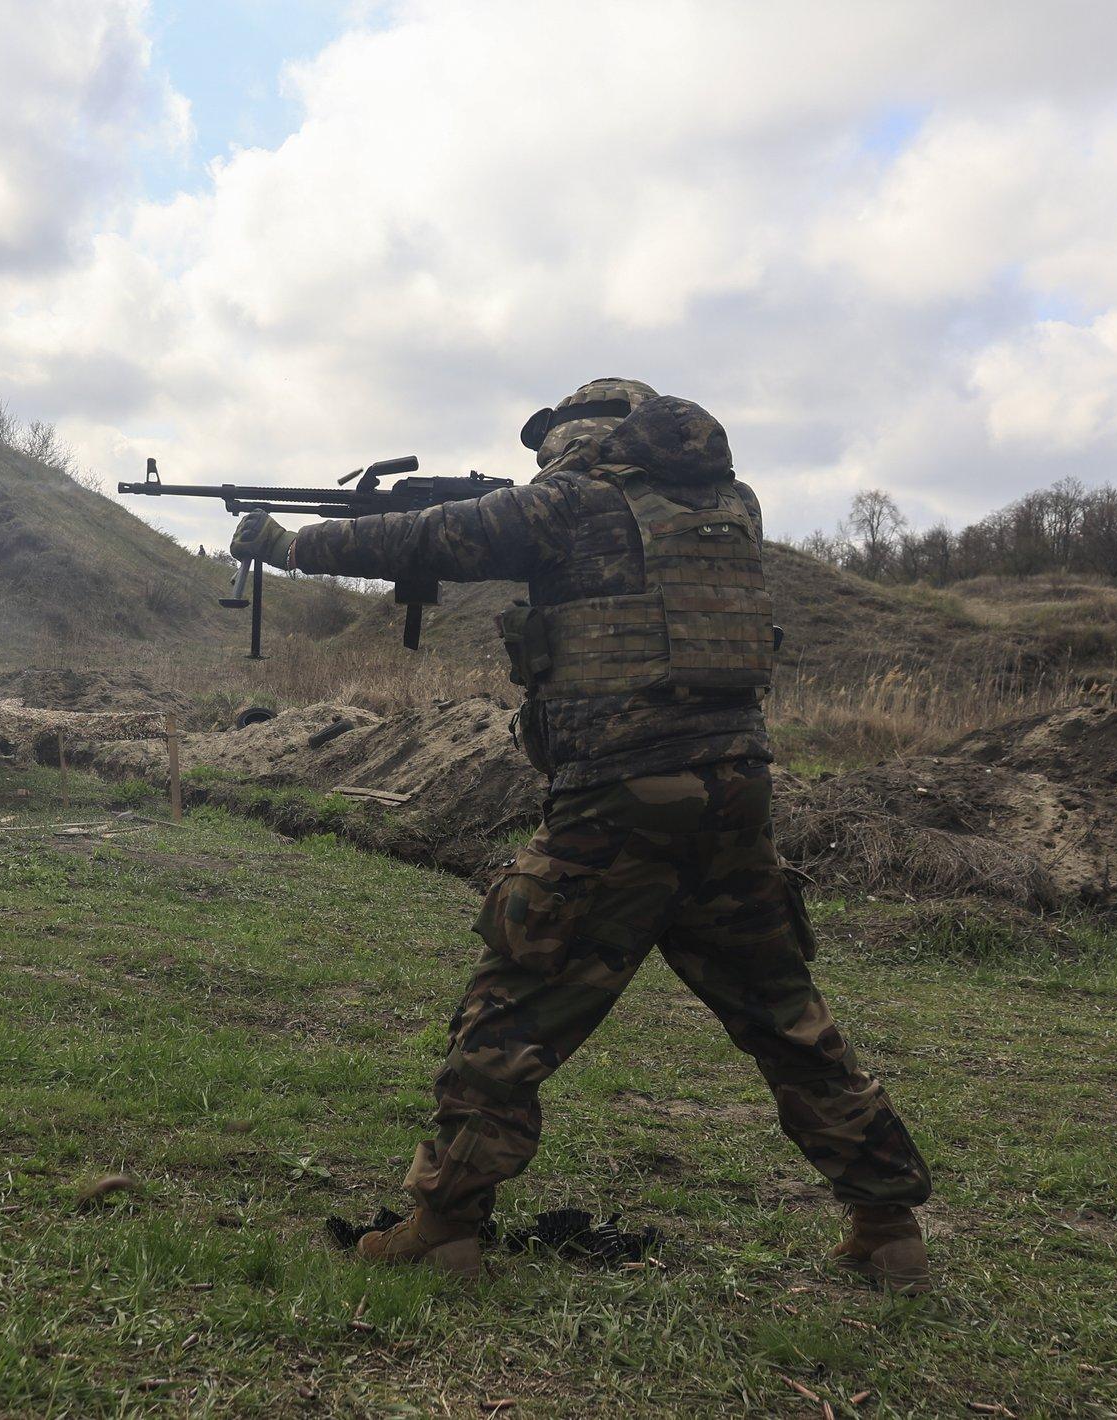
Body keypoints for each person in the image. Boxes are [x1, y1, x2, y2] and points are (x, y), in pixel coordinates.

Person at [230, 380, 933, 1291]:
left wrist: (288, 543)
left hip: (620, 801)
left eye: (551, 446)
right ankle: (887, 1226)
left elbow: (423, 538)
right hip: (735, 796)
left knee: (509, 1008)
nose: (544, 461)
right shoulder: (729, 508)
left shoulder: (570, 503)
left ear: (579, 437)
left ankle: (444, 1227)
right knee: (785, 1016)